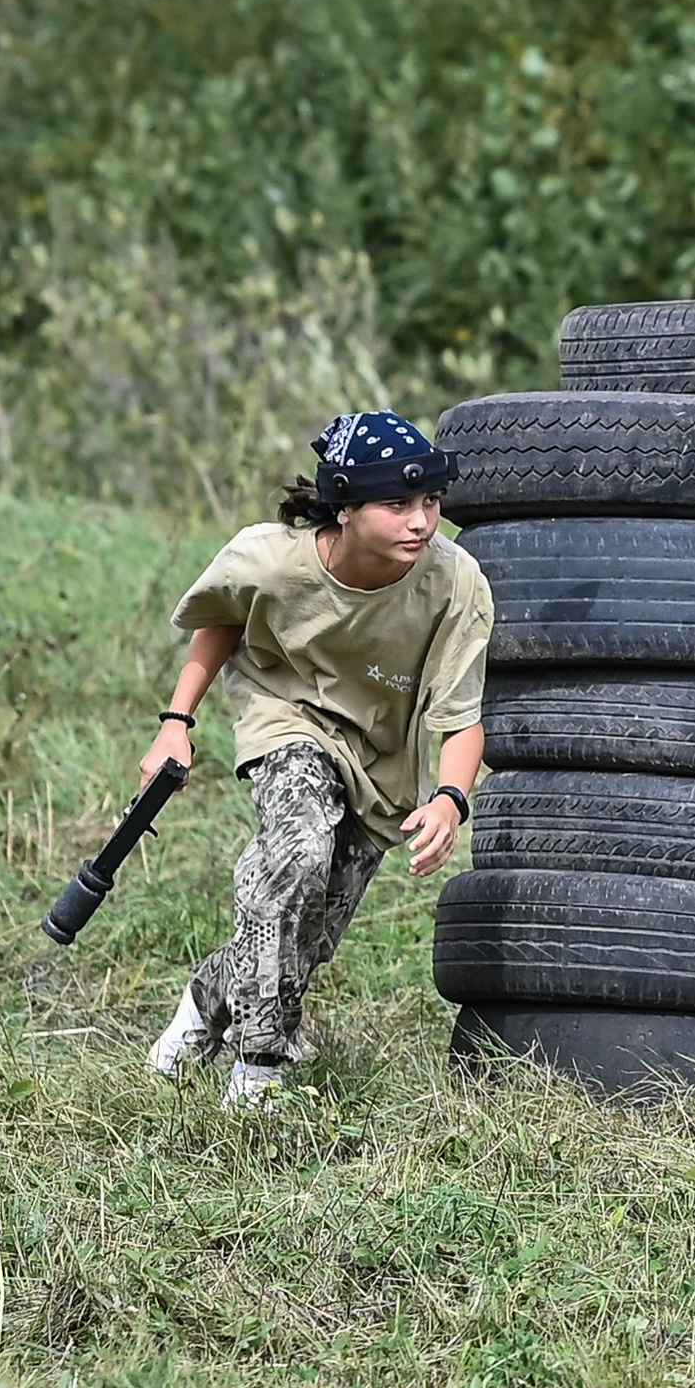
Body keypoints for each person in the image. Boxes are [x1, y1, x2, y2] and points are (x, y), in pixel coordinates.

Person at [143, 410, 493, 1109]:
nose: (421, 521)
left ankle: (203, 1002)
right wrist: (176, 722)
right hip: (288, 721)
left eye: (430, 502)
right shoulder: (274, 558)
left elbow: (463, 719)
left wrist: (450, 799)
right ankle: (258, 1073)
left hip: (381, 770)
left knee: (304, 940)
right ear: (344, 505)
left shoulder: (455, 584)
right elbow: (224, 616)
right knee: (295, 854)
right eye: (397, 504)